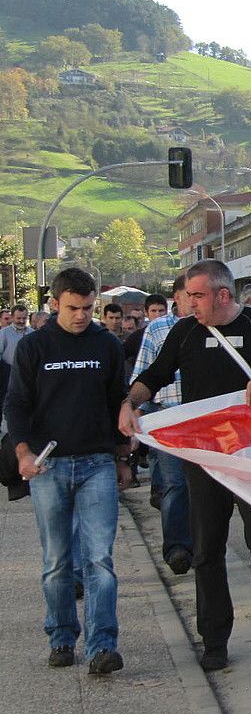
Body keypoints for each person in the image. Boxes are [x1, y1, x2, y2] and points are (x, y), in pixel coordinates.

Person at [119, 259, 251, 674]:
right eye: (188, 296)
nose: (190, 303)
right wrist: (129, 404)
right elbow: (153, 375)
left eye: (198, 296)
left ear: (223, 295)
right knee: (207, 550)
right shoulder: (184, 331)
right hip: (205, 458)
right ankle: (214, 641)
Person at [6, 268, 130, 674]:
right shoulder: (34, 347)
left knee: (99, 559)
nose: (81, 315)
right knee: (57, 561)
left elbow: (118, 402)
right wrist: (24, 453)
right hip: (48, 466)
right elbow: (17, 405)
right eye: (73, 308)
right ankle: (61, 636)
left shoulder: (107, 345)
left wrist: (122, 458)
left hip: (97, 463)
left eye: (88, 308)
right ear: (55, 303)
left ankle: (101, 647)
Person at [131, 276, 193, 575]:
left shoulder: (212, 326)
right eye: (188, 294)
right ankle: (177, 548)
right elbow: (143, 372)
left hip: (203, 419)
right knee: (175, 485)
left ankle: (204, 545)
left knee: (206, 488)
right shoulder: (158, 329)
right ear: (176, 297)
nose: (194, 301)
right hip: (169, 415)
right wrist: (137, 410)